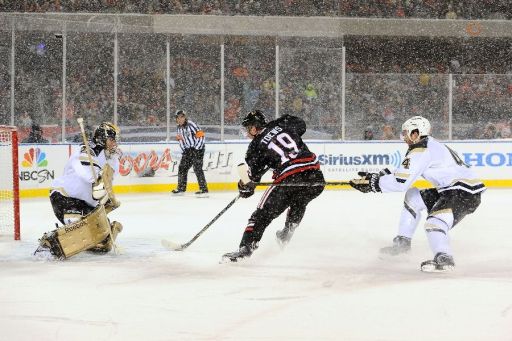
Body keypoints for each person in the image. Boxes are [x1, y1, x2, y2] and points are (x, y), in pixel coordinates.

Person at [349, 116, 485, 272]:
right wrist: (379, 177)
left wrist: (375, 184)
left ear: (416, 133)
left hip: (462, 192)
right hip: (454, 190)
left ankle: (444, 257)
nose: (404, 137)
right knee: (413, 197)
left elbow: (401, 182)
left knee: (435, 223)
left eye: (406, 133)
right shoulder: (428, 145)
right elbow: (404, 173)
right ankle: (402, 243)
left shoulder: (422, 149)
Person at [222, 110, 325, 262]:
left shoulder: (254, 147)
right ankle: (287, 232)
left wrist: (244, 186)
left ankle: (246, 248)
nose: (247, 133)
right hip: (315, 176)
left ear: (254, 127)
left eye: (248, 128)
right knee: (299, 201)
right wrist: (281, 122)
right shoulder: (282, 123)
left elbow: (252, 181)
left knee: (260, 215)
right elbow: (301, 125)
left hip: (289, 178)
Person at [34, 122, 123, 259]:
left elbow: (106, 180)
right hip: (64, 197)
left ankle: (94, 240)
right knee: (80, 227)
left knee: (101, 235)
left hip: (84, 203)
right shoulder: (85, 149)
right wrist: (98, 180)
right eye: (111, 140)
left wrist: (107, 198)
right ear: (102, 138)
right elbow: (87, 175)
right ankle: (49, 244)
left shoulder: (108, 156)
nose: (114, 144)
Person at [172, 110, 209, 197]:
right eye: (178, 117)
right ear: (176, 119)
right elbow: (180, 140)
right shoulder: (178, 128)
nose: (180, 119)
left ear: (185, 117)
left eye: (182, 117)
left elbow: (201, 136)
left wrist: (196, 149)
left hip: (198, 149)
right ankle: (181, 189)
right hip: (188, 150)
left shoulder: (191, 125)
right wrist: (184, 150)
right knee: (182, 168)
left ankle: (204, 190)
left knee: (197, 168)